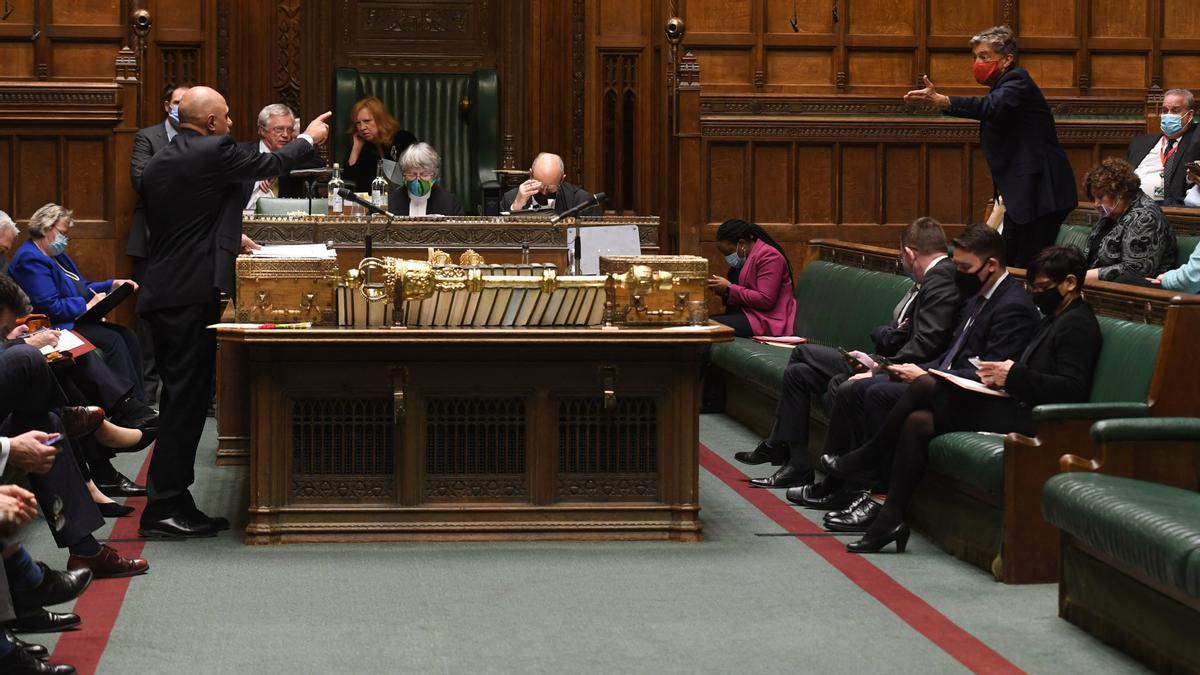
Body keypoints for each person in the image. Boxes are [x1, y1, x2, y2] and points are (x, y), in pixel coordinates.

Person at [136, 85, 331, 538]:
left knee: (179, 401)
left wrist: (226, 239)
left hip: (168, 289)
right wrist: (310, 138)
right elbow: (274, 163)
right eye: (225, 116)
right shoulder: (212, 149)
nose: (229, 123)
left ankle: (173, 500)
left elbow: (187, 219)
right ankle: (163, 508)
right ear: (209, 123)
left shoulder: (165, 157)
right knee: (185, 404)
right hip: (186, 296)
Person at [823, 247, 1101, 553]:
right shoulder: (1055, 317)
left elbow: (1072, 389)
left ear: (1071, 283)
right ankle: (889, 520)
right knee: (918, 421)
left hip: (1037, 422)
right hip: (1015, 403)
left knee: (926, 385)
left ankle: (869, 454)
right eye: (1033, 288)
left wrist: (1013, 375)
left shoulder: (1078, 323)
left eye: (1043, 288)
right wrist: (1001, 375)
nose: (1036, 295)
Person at [791, 224, 1041, 509]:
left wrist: (925, 374)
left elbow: (989, 373)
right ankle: (836, 484)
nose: (957, 273)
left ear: (992, 265)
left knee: (877, 393)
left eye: (963, 266)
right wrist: (902, 368)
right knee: (854, 387)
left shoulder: (1012, 306)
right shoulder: (978, 296)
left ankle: (873, 491)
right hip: (943, 381)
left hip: (972, 398)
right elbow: (951, 354)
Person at [736, 217, 961, 489]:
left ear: (909, 253)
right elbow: (903, 333)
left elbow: (923, 342)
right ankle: (796, 463)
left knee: (804, 358)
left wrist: (878, 365)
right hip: (885, 359)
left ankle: (784, 450)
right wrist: (885, 342)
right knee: (799, 373)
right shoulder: (930, 280)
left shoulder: (938, 279)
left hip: (897, 367)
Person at [904, 25, 1076, 268]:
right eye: (975, 57)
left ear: (1007, 59)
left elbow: (990, 107)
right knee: (1010, 262)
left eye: (984, 56)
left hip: (1041, 193)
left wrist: (944, 101)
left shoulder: (1018, 81)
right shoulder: (1004, 86)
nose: (977, 62)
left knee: (1024, 266)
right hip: (1026, 194)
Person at [8, 203, 148, 405]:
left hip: (74, 320)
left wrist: (112, 285)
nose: (66, 239)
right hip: (54, 326)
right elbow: (49, 306)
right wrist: (86, 306)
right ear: (46, 229)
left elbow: (82, 286)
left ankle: (140, 402)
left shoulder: (57, 255)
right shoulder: (30, 258)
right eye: (63, 232)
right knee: (113, 340)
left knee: (128, 335)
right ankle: (125, 406)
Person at [128, 84, 189, 406]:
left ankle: (188, 390)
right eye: (177, 102)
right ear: (167, 106)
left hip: (189, 244)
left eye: (187, 103)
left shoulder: (203, 140)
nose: (182, 107)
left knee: (186, 316)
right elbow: (142, 180)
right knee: (148, 316)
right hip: (151, 241)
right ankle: (148, 388)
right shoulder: (148, 137)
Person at [1082, 157, 1178, 283]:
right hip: (1099, 287)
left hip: (1134, 295)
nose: (1096, 204)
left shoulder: (1146, 217)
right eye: (1093, 198)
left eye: (1100, 197)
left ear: (1119, 191)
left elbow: (1136, 269)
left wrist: (1091, 275)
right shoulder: (1112, 214)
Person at [706, 219, 795, 338]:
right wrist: (724, 292)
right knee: (703, 323)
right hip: (750, 314)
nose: (728, 258)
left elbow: (765, 299)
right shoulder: (748, 257)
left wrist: (729, 289)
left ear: (741, 243)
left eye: (729, 252)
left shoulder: (769, 256)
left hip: (767, 320)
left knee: (706, 328)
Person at [242, 103, 326, 210]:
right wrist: (265, 170)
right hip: (244, 220)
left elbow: (319, 163)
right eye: (279, 129)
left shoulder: (295, 156)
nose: (285, 135)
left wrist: (275, 170)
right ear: (262, 131)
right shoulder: (244, 153)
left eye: (289, 130)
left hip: (284, 221)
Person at [1127, 89, 1200, 205]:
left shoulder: (1196, 139)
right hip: (1131, 206)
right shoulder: (1140, 143)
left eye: (1175, 111)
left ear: (1190, 115)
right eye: (1165, 111)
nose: (1168, 115)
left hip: (1172, 211)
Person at [344, 96, 417, 191]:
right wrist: (356, 149)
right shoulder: (364, 147)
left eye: (367, 121)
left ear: (380, 119)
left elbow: (417, 175)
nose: (362, 127)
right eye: (358, 123)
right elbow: (349, 184)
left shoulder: (403, 139)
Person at [503, 153, 601, 216]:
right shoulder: (510, 198)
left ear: (562, 179)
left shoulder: (582, 201)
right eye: (540, 186)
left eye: (550, 188)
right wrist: (516, 207)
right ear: (531, 174)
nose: (544, 192)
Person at [387, 142, 465, 216]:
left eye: (424, 174)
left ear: (434, 174)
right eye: (412, 174)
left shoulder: (450, 203)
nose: (418, 180)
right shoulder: (391, 202)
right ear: (403, 175)